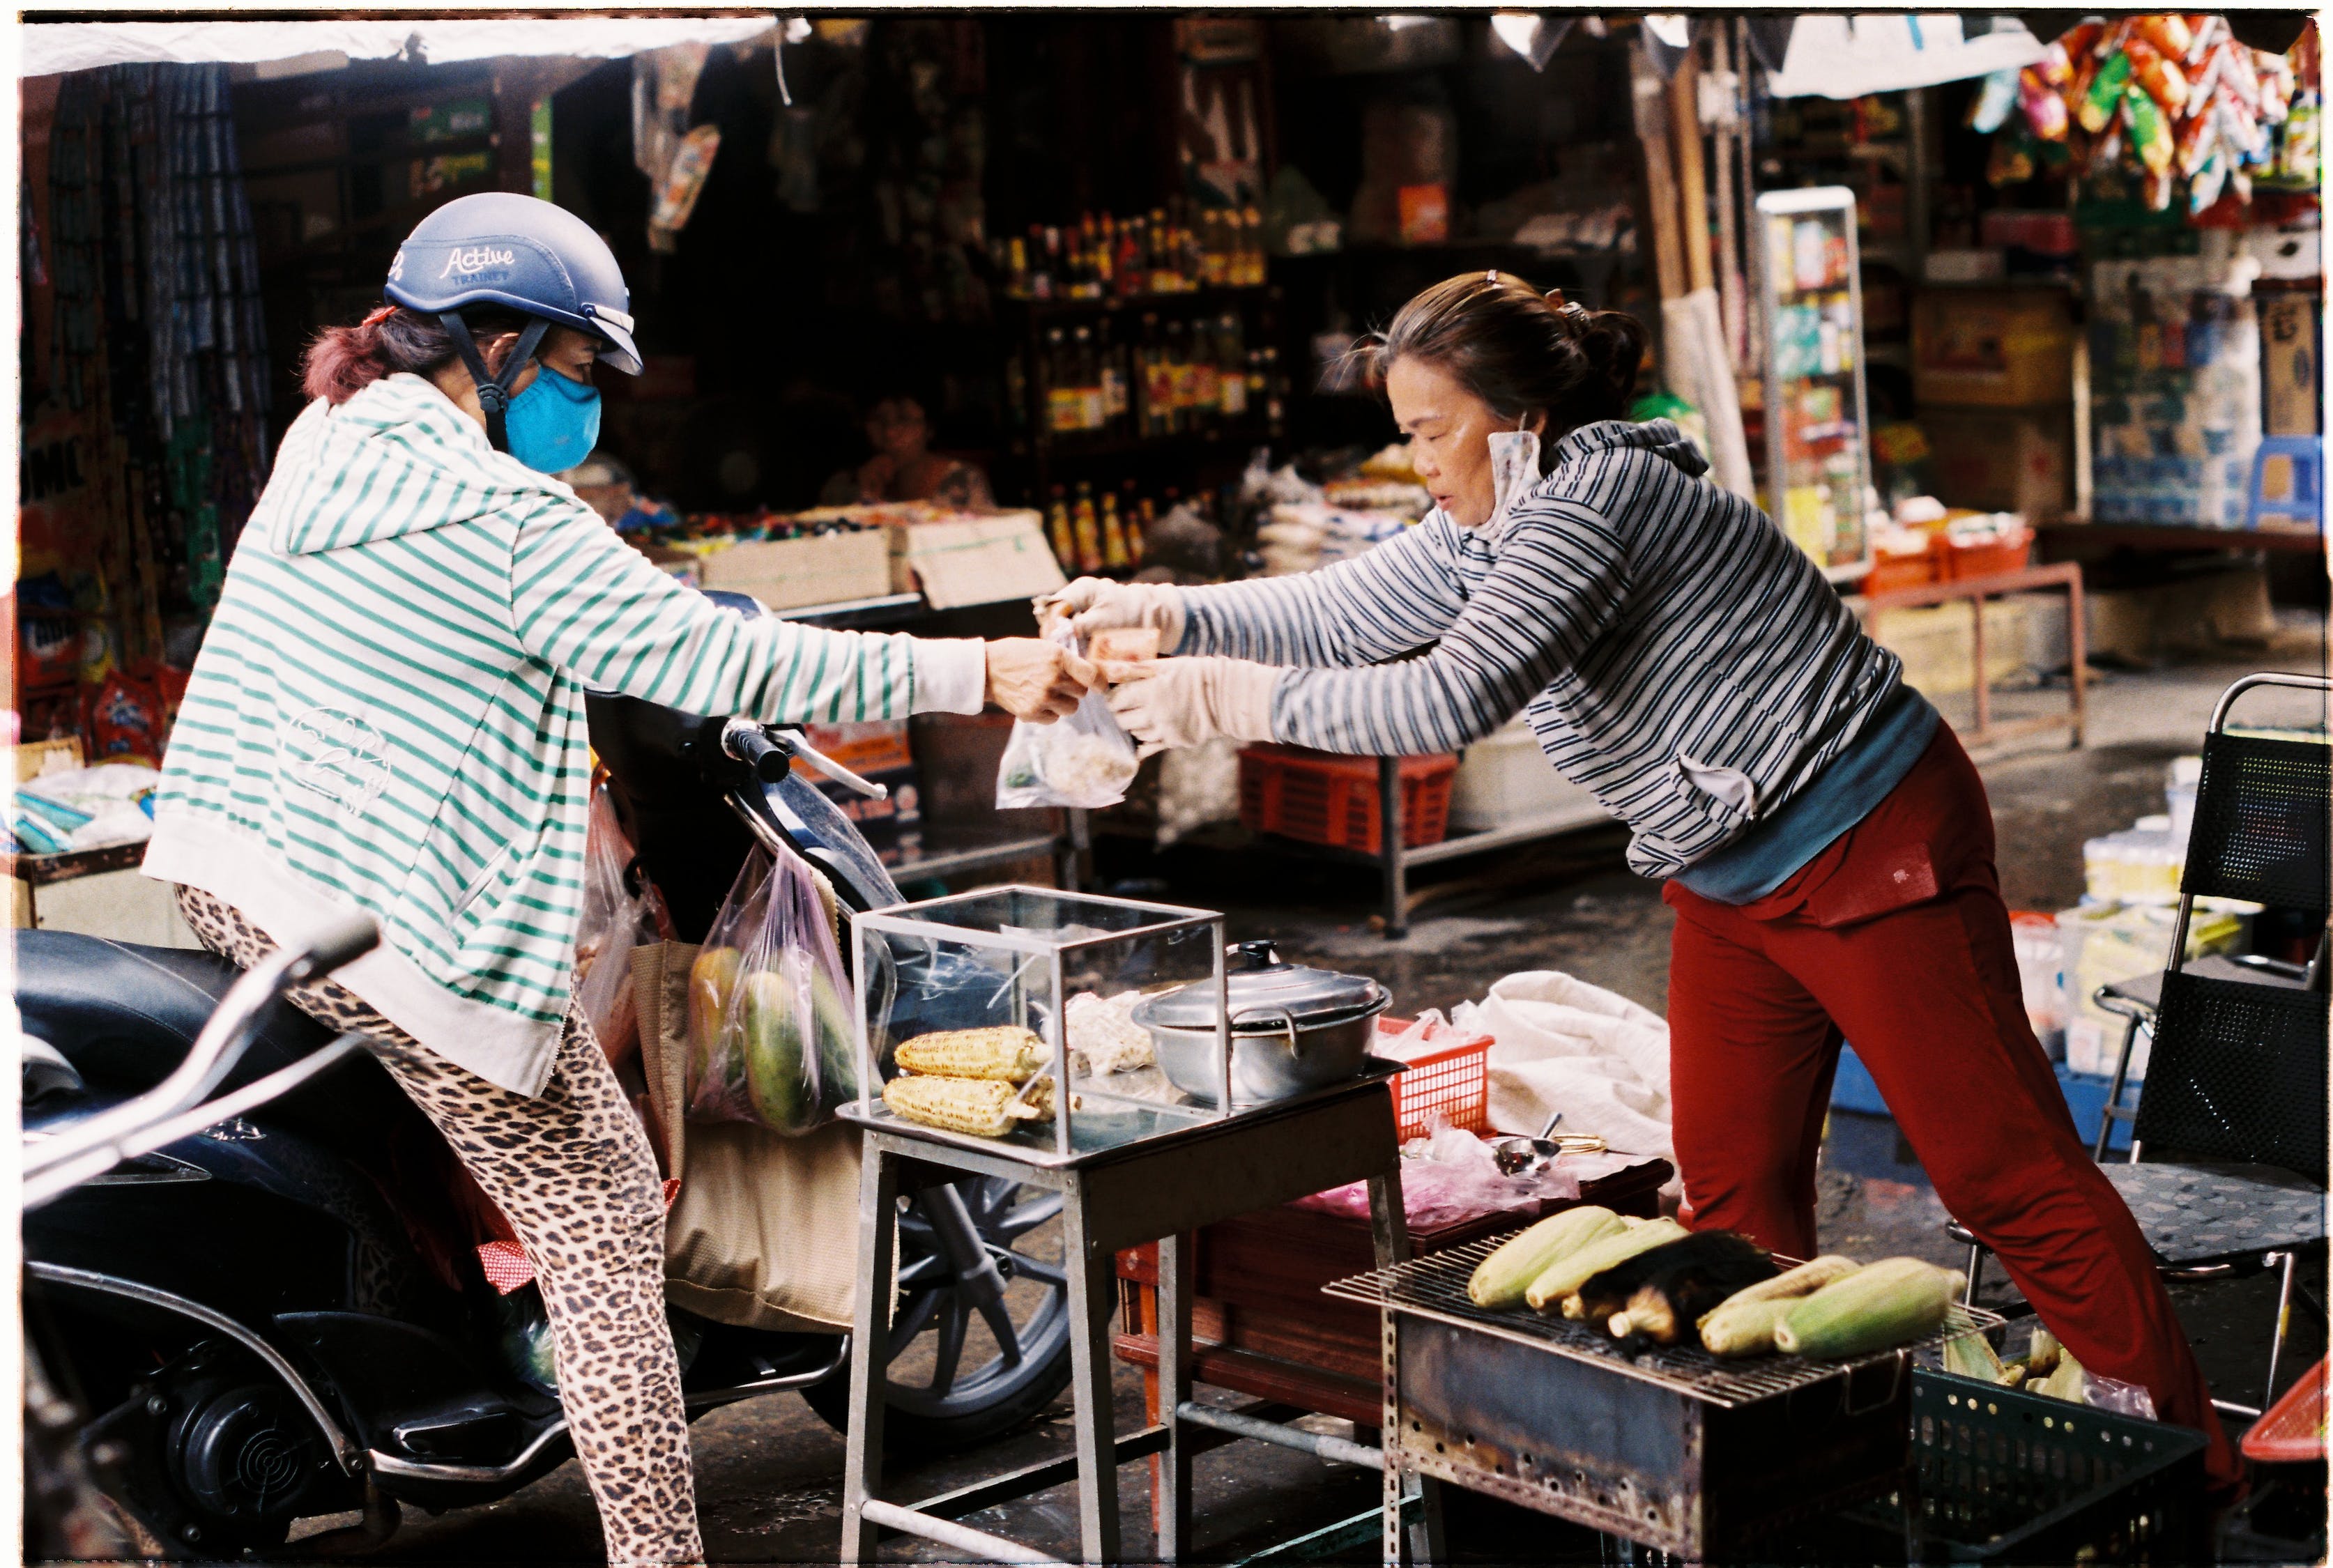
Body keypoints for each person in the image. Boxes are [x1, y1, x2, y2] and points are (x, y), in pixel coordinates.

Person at [1058, 270, 2235, 1489]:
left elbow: (1445, 694)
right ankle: (1794, 1478)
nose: (1416, 462)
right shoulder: (1492, 518)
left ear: (1515, 418)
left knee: (2005, 1178)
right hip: (1727, 873)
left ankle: (2185, 1467)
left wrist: (1219, 699)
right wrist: (1160, 613)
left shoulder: (1595, 501)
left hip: (1866, 834)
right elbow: (1349, 609)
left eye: (1427, 431)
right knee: (1728, 1195)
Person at [141, 192, 1092, 1565]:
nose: (590, 409)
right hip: (367, 915)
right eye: (583, 371)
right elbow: (731, 664)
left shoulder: (332, 436)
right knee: (597, 1213)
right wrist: (979, 668)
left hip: (233, 869)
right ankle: (660, 1552)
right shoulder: (506, 519)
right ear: (504, 345)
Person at [819, 392, 994, 509]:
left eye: (904, 420)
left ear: (929, 429)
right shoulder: (842, 488)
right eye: (879, 420)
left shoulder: (963, 482)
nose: (890, 433)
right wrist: (866, 498)